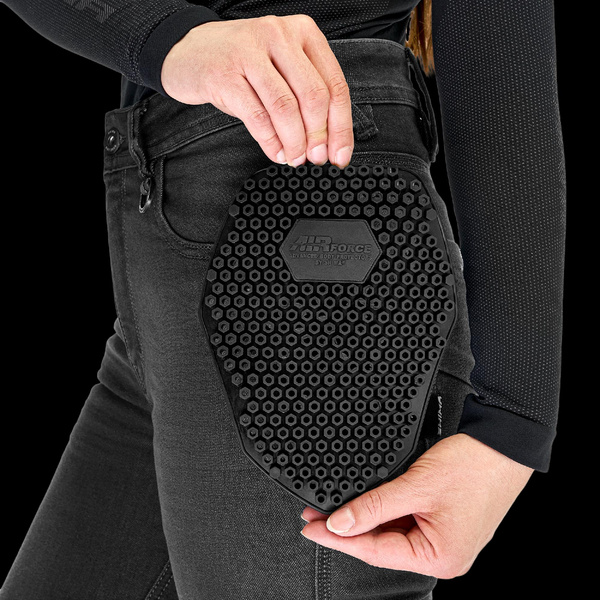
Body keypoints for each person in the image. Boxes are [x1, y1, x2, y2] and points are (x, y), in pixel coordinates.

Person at [0, 1, 565, 599]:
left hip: (319, 271)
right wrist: (165, 40)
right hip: (173, 259)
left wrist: (511, 424)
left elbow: (501, 64)